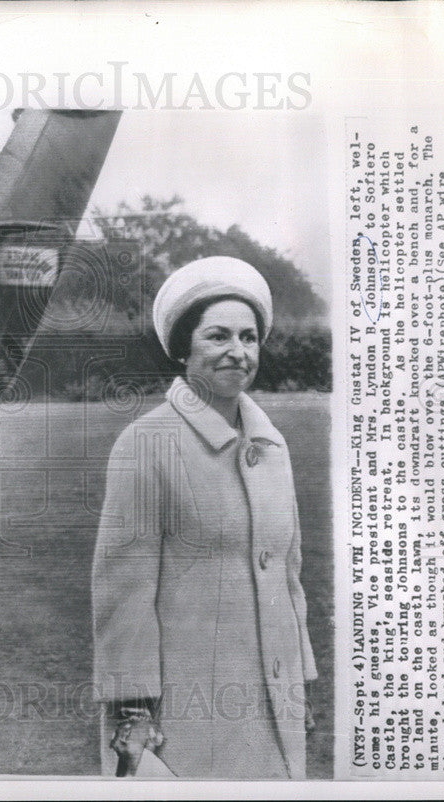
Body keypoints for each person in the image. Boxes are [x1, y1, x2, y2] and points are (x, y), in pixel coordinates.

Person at [91, 256, 318, 779]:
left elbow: (290, 577)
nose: (238, 353)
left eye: (249, 338)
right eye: (218, 336)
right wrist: (131, 713)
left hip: (273, 701)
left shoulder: (273, 445)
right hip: (187, 710)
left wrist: (300, 685)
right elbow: (123, 594)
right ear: (184, 349)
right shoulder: (147, 443)